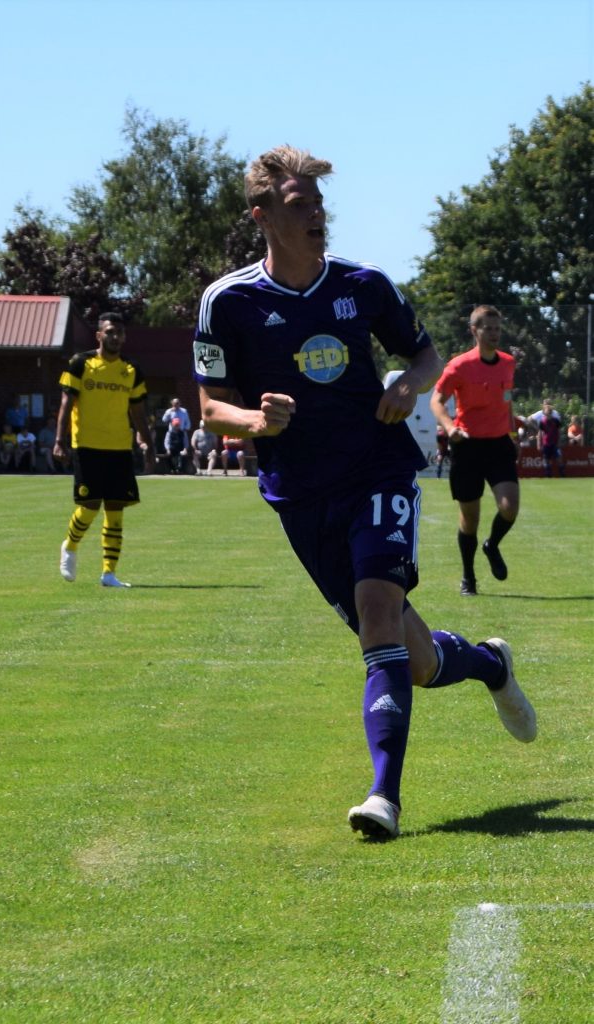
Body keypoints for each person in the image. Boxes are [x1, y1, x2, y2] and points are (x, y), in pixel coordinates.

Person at [194, 145, 536, 840]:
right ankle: (489, 662)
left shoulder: (365, 284)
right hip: (299, 495)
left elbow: (425, 356)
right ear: (262, 216)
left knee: (378, 613)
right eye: (300, 204)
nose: (318, 214)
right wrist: (255, 421)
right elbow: (209, 408)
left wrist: (409, 382)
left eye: (320, 203)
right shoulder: (226, 302)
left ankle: (384, 797)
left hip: (378, 471)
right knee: (417, 660)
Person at [54, 311, 155, 587]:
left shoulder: (131, 370)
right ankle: (70, 545)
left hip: (119, 449)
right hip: (87, 446)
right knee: (89, 507)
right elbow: (66, 404)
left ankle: (109, 574)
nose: (115, 337)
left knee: (115, 509)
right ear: (99, 335)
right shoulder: (80, 363)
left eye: (119, 332)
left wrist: (148, 445)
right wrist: (59, 441)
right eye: (110, 332)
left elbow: (138, 412)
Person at [430, 305, 519, 596]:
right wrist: (449, 427)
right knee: (470, 519)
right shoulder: (459, 366)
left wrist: (513, 433)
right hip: (467, 445)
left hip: (499, 445)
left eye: (497, 328)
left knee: (509, 507)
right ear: (474, 331)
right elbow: (436, 400)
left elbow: (506, 401)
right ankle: (468, 577)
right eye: (488, 328)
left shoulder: (508, 363)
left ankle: (492, 545)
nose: (494, 334)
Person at [522, 400, 565, 478]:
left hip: (554, 443)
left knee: (559, 457)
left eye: (550, 412)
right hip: (546, 443)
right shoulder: (542, 421)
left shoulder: (555, 419)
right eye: (547, 412)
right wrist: (539, 442)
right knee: (547, 459)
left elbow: (559, 431)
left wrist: (559, 441)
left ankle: (562, 473)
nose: (548, 413)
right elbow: (540, 432)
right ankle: (548, 474)